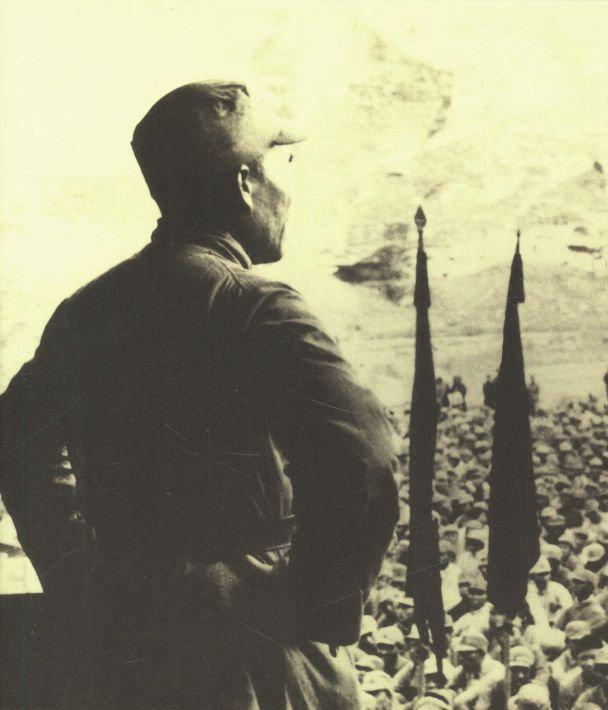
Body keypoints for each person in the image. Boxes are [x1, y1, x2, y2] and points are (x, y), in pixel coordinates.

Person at [0, 81, 400, 708]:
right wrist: (317, 605)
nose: (288, 188)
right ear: (244, 183)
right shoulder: (255, 305)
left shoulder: (86, 311)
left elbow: (17, 438)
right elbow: (364, 457)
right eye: (280, 163)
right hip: (254, 650)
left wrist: (77, 570)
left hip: (125, 643)